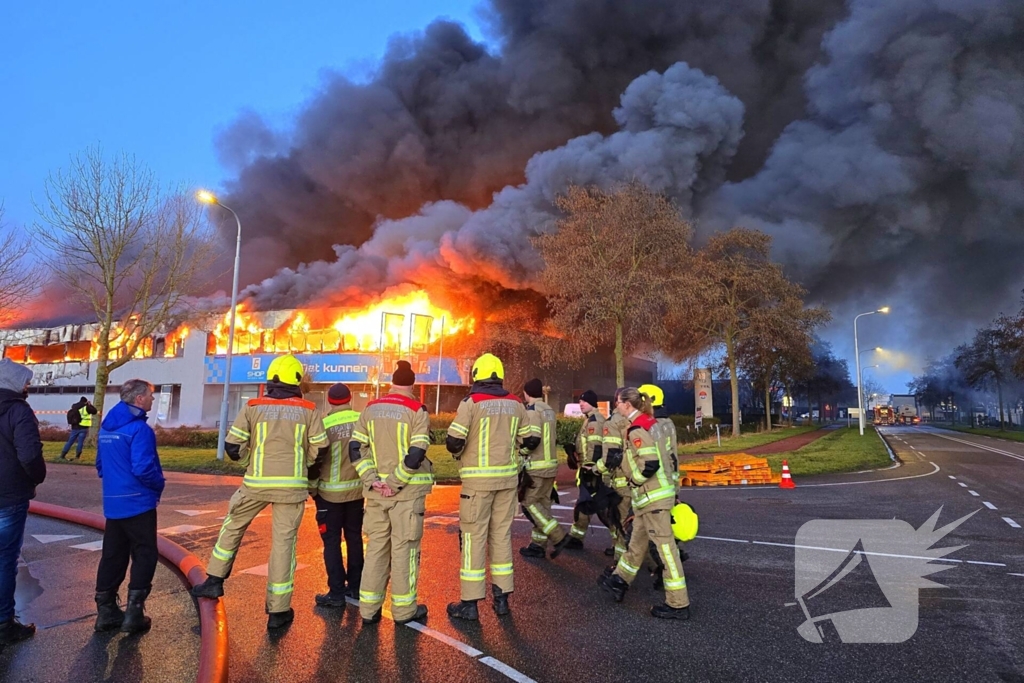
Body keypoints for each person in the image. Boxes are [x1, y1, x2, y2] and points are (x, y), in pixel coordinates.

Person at [191, 355, 328, 631]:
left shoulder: (253, 406)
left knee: (232, 527)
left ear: (271, 379)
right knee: (284, 546)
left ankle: (214, 581)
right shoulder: (309, 410)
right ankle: (278, 612)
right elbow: (321, 449)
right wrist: (306, 471)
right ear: (297, 380)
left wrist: (248, 463)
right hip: (291, 489)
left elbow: (233, 446)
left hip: (255, 484)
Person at [446, 353, 530, 620]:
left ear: (477, 376)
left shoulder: (471, 403)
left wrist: (462, 452)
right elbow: (531, 439)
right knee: (501, 536)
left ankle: (470, 605)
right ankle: (502, 600)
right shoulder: (516, 403)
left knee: (473, 538)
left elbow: (454, 440)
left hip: (477, 485)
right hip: (507, 481)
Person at [350, 361, 433, 625]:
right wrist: (395, 483)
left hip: (375, 495)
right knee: (404, 550)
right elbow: (417, 452)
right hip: (405, 496)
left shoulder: (370, 408)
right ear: (412, 385)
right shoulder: (417, 410)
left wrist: (372, 480)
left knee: (375, 549)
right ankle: (404, 611)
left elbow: (355, 448)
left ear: (392, 383)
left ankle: (368, 610)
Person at [599, 387, 690, 620]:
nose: (616, 406)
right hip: (651, 498)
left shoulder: (637, 429)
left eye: (617, 402)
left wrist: (633, 480)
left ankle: (678, 604)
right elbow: (667, 459)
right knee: (636, 545)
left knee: (667, 551)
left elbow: (650, 464)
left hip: (652, 497)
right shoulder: (652, 424)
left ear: (627, 405)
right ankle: (619, 580)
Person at [94, 379, 165, 634]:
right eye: (150, 396)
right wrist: (158, 485)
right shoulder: (139, 430)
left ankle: (105, 611)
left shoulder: (107, 428)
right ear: (138, 399)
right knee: (145, 553)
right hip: (138, 502)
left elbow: (101, 465)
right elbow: (143, 467)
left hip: (113, 504)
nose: (152, 400)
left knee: (113, 554)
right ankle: (134, 613)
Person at [0, 358, 45, 646]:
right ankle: (4, 623)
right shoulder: (19, 411)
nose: (28, 385)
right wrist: (37, 476)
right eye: (25, 381)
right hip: (9, 495)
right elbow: (29, 455)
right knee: (4, 559)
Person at [309, 382, 364, 607]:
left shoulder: (323, 424)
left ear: (330, 401)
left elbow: (314, 460)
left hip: (328, 495)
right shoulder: (361, 421)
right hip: (357, 492)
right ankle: (356, 587)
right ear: (350, 399)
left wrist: (312, 488)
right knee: (354, 538)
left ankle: (336, 593)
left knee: (331, 542)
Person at [518, 378, 571, 559]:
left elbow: (533, 439)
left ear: (526, 393)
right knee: (543, 506)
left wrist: (521, 451)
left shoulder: (532, 411)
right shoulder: (549, 410)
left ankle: (558, 535)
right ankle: (538, 545)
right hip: (551, 465)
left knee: (529, 503)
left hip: (536, 466)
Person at [565, 389, 605, 549]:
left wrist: (588, 469)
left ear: (592, 403)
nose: (581, 404)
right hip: (589, 469)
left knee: (597, 507)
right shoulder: (590, 419)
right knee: (587, 504)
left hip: (591, 471)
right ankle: (576, 537)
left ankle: (621, 542)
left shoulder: (594, 421)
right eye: (580, 401)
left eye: (584, 401)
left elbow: (595, 448)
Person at [597, 387, 632, 560]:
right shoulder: (641, 420)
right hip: (642, 482)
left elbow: (610, 456)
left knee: (621, 521)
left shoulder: (613, 423)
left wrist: (598, 470)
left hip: (621, 481)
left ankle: (621, 564)